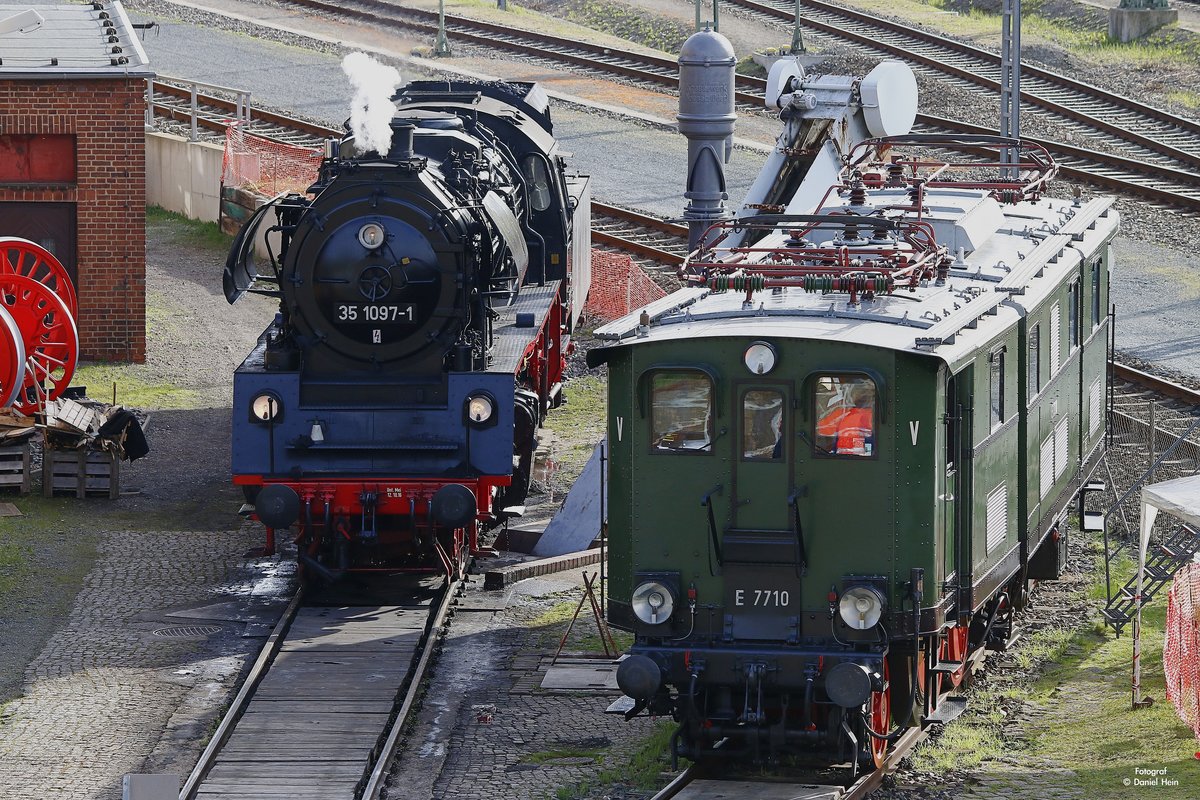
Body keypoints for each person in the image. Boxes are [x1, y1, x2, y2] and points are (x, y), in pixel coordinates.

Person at [817, 381, 874, 456]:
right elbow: (821, 432)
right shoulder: (840, 414)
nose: (862, 396)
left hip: (847, 461)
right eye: (861, 393)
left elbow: (820, 432)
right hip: (844, 461)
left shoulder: (841, 414)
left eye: (865, 393)